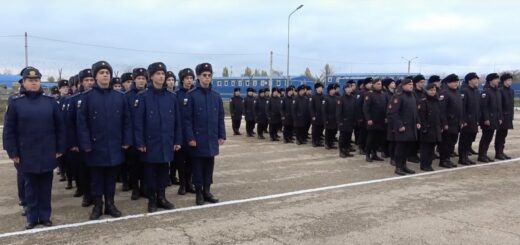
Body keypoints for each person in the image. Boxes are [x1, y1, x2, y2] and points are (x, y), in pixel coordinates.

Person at [3, 67, 66, 229]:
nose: (33, 83)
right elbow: (9, 130)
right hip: (26, 153)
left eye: (36, 80)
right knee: (30, 187)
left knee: (45, 187)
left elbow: (60, 127)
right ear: (24, 82)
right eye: (30, 80)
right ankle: (32, 217)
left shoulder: (50, 102)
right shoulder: (16, 103)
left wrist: (60, 148)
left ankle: (45, 216)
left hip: (48, 151)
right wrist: (13, 152)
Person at [77, 61, 132, 220]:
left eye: (107, 72)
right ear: (95, 76)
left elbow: (126, 121)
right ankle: (97, 205)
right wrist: (86, 144)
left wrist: (126, 140)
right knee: (96, 178)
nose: (105, 75)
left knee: (111, 178)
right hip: (95, 146)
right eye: (101, 72)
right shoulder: (87, 97)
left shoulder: (119, 97)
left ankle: (110, 204)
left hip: (114, 144)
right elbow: (82, 124)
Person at [134, 62, 182, 212]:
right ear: (151, 76)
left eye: (163, 74)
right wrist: (140, 142)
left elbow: (177, 121)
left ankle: (162, 197)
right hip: (150, 142)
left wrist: (177, 140)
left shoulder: (172, 97)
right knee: (150, 172)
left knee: (163, 171)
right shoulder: (142, 96)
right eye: (158, 74)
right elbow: (138, 122)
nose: (161, 76)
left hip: (166, 141)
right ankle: (152, 200)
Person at [183, 63, 226, 205]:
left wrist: (221, 135)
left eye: (209, 75)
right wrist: (190, 137)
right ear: (198, 77)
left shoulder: (216, 96)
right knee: (197, 167)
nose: (207, 78)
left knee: (209, 165)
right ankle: (199, 193)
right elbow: (187, 120)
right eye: (204, 75)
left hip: (211, 138)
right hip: (197, 139)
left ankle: (207, 191)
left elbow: (220, 117)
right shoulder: (191, 95)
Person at [125, 68, 149, 200]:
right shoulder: (127, 96)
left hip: (147, 136)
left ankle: (144, 187)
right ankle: (135, 188)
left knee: (145, 164)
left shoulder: (148, 94)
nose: (141, 81)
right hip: (133, 137)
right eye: (138, 78)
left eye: (143, 78)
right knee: (133, 165)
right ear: (134, 80)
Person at [388, 78, 419, 175]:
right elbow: (394, 113)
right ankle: (398, 167)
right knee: (400, 148)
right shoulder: (398, 96)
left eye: (412, 84)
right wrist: (400, 125)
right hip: (402, 127)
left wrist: (418, 121)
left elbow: (415, 111)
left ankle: (404, 166)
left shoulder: (412, 95)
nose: (411, 86)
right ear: (403, 85)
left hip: (411, 127)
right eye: (409, 84)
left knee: (407, 148)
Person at [174, 68, 196, 195]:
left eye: (191, 78)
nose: (189, 80)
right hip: (180, 134)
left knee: (191, 161)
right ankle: (182, 185)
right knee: (180, 162)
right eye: (187, 78)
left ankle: (189, 183)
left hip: (192, 134)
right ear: (182, 80)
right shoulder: (176, 95)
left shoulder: (194, 93)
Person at [438, 74, 463, 168]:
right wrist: (444, 123)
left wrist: (461, 120)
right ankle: (443, 160)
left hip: (456, 123)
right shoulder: (444, 93)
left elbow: (460, 108)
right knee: (445, 143)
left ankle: (447, 159)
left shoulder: (457, 92)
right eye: (453, 82)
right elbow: (442, 110)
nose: (456, 84)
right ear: (448, 83)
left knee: (452, 142)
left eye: (457, 82)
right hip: (448, 123)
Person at [478, 73, 502, 163]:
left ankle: (484, 154)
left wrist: (500, 117)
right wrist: (486, 119)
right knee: (486, 137)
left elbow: (499, 106)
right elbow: (483, 107)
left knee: (489, 137)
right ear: (491, 80)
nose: (498, 81)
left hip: (495, 118)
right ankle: (481, 155)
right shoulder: (486, 91)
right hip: (488, 119)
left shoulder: (497, 91)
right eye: (496, 79)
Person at [418, 83, 442, 171]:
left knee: (432, 147)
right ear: (427, 91)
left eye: (434, 90)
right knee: (425, 148)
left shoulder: (437, 101)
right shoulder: (423, 101)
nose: (433, 92)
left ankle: (429, 164)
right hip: (427, 128)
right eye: (431, 90)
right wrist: (424, 128)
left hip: (435, 127)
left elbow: (439, 115)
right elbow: (421, 116)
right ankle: (424, 164)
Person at [458, 73, 480, 165]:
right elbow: (462, 107)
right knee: (464, 139)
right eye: (475, 79)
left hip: (474, 120)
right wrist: (463, 120)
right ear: (469, 80)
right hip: (467, 120)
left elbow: (478, 106)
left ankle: (466, 156)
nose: (476, 81)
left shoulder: (476, 91)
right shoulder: (464, 91)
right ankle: (462, 158)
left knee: (469, 139)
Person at [363, 79, 387, 161]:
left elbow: (386, 107)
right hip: (372, 121)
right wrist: (368, 119)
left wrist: (386, 117)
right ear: (373, 85)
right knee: (371, 139)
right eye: (378, 84)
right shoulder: (369, 94)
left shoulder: (383, 94)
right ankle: (367, 154)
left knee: (378, 139)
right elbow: (366, 108)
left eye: (381, 84)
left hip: (381, 121)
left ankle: (374, 154)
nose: (380, 85)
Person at [495, 73, 514, 160]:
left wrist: (511, 116)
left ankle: (501, 152)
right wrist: (500, 117)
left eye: (511, 80)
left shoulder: (511, 90)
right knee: (500, 135)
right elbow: (499, 105)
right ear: (504, 81)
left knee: (504, 135)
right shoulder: (500, 90)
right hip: (502, 117)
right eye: (508, 80)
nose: (510, 82)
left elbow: (511, 105)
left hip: (508, 116)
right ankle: (498, 153)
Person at [336, 81, 356, 158]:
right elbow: (338, 112)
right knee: (342, 137)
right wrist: (339, 122)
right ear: (344, 89)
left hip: (351, 121)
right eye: (347, 87)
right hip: (343, 122)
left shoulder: (353, 98)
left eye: (350, 87)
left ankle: (347, 150)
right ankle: (341, 151)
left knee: (348, 137)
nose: (349, 89)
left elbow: (355, 110)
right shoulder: (340, 99)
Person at [309, 83, 324, 147]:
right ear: (316, 89)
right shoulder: (313, 97)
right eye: (319, 87)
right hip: (315, 116)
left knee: (320, 129)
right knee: (315, 130)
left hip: (322, 116)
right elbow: (311, 107)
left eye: (321, 88)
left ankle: (318, 141)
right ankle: (314, 141)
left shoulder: (324, 96)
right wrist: (313, 116)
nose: (321, 89)